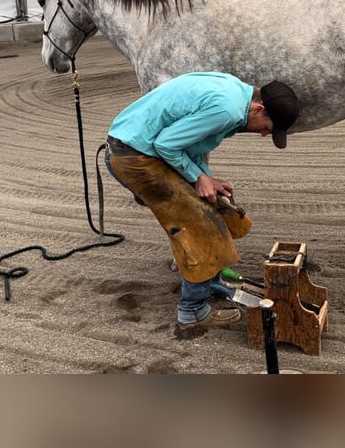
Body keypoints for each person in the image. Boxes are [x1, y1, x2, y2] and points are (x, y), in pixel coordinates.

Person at [103, 71, 299, 334]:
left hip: (140, 148)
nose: (265, 134)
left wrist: (207, 179)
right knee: (199, 225)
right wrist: (198, 177)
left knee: (214, 209)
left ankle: (209, 284)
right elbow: (167, 144)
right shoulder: (227, 110)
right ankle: (192, 311)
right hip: (135, 157)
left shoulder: (237, 93)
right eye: (267, 127)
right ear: (259, 108)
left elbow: (186, 143)